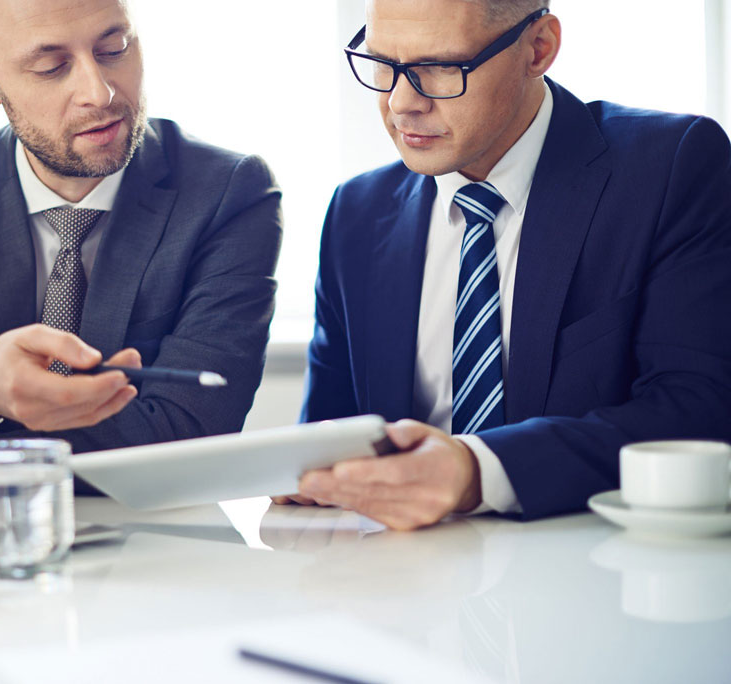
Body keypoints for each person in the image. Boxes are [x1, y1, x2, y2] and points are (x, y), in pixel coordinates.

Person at [282, 0, 731, 529]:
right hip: (399, 582)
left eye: (442, 67)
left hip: (596, 574)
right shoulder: (357, 212)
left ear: (538, 48)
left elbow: (698, 412)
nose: (401, 102)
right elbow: (328, 437)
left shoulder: (671, 165)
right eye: (384, 63)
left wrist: (476, 472)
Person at [0, 0, 282, 491]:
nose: (98, 93)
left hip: (157, 548)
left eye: (114, 48)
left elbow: (189, 435)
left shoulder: (229, 192)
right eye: (50, 67)